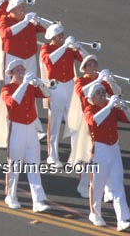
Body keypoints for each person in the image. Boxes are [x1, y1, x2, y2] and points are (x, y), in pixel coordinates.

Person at [0, 60, 50, 212]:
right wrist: (25, 84)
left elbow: (47, 93)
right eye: (18, 70)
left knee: (34, 165)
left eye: (23, 69)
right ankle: (11, 196)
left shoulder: (29, 86)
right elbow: (12, 103)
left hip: (31, 130)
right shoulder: (6, 88)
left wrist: (38, 83)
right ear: (12, 74)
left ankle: (38, 200)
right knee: (14, 166)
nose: (22, 72)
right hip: (17, 130)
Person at [67, 55, 121, 199]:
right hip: (88, 121)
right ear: (84, 68)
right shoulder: (80, 81)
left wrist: (110, 80)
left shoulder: (102, 81)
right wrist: (99, 80)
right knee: (89, 155)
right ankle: (83, 185)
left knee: (107, 156)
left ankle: (109, 190)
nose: (93, 68)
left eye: (94, 65)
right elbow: (82, 92)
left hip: (104, 120)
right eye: (89, 65)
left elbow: (117, 93)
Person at [84, 83, 130, 232]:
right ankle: (95, 214)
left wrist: (124, 107)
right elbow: (94, 121)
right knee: (97, 185)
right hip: (98, 151)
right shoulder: (89, 109)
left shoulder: (111, 108)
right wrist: (109, 106)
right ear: (91, 98)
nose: (102, 95)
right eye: (98, 93)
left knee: (118, 185)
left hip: (114, 149)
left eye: (103, 92)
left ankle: (122, 219)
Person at [0, 0, 48, 139]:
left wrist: (39, 20)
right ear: (11, 9)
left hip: (29, 59)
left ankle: (36, 128)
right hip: (12, 58)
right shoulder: (5, 19)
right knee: (13, 93)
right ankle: (9, 127)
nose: (23, 10)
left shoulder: (29, 20)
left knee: (31, 89)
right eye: (19, 8)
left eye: (23, 8)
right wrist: (25, 22)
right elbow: (5, 34)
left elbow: (49, 31)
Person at [40, 24, 86, 167]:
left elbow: (86, 62)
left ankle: (76, 157)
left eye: (62, 34)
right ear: (52, 37)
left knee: (74, 123)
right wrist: (65, 47)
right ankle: (52, 157)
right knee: (54, 124)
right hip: (55, 88)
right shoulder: (46, 48)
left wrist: (79, 47)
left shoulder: (68, 48)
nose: (62, 37)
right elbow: (49, 61)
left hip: (70, 87)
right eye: (59, 35)